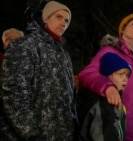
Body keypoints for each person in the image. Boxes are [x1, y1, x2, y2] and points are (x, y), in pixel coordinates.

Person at [0, 1, 77, 140]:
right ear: (45, 18)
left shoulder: (63, 53)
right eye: (58, 17)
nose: (64, 23)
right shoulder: (24, 45)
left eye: (66, 20)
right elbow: (13, 93)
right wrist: (31, 134)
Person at [78, 12, 133, 141]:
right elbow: (86, 75)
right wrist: (108, 87)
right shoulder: (110, 51)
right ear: (122, 30)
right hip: (121, 124)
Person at [78, 52, 132, 141]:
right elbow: (104, 134)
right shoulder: (105, 102)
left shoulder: (115, 97)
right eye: (120, 74)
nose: (125, 79)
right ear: (107, 76)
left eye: (127, 75)